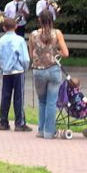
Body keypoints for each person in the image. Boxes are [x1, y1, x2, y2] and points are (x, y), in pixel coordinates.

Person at [29, 9, 69, 139]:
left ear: (39, 20)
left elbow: (31, 54)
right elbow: (66, 53)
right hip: (53, 70)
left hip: (38, 71)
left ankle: (40, 130)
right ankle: (49, 131)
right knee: (52, 102)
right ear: (52, 20)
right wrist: (56, 53)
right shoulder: (57, 33)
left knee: (42, 101)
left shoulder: (33, 35)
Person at [0, 18, 32, 132]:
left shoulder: (1, 40)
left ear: (4, 27)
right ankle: (19, 123)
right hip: (17, 71)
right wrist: (25, 67)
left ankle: (3, 122)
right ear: (16, 26)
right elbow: (25, 58)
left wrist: (3, 67)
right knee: (18, 97)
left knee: (5, 96)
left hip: (6, 72)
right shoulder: (20, 40)